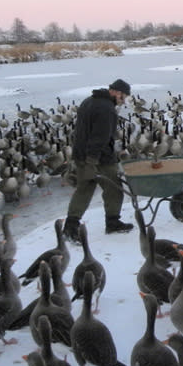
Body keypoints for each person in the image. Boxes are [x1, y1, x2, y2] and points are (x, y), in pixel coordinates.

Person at [63, 78, 134, 243]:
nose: (123, 101)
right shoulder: (107, 109)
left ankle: (70, 226)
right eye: (123, 96)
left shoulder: (89, 101)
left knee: (84, 189)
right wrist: (91, 161)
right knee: (114, 188)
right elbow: (99, 137)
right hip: (99, 158)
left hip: (81, 153)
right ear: (116, 92)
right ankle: (112, 222)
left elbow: (82, 131)